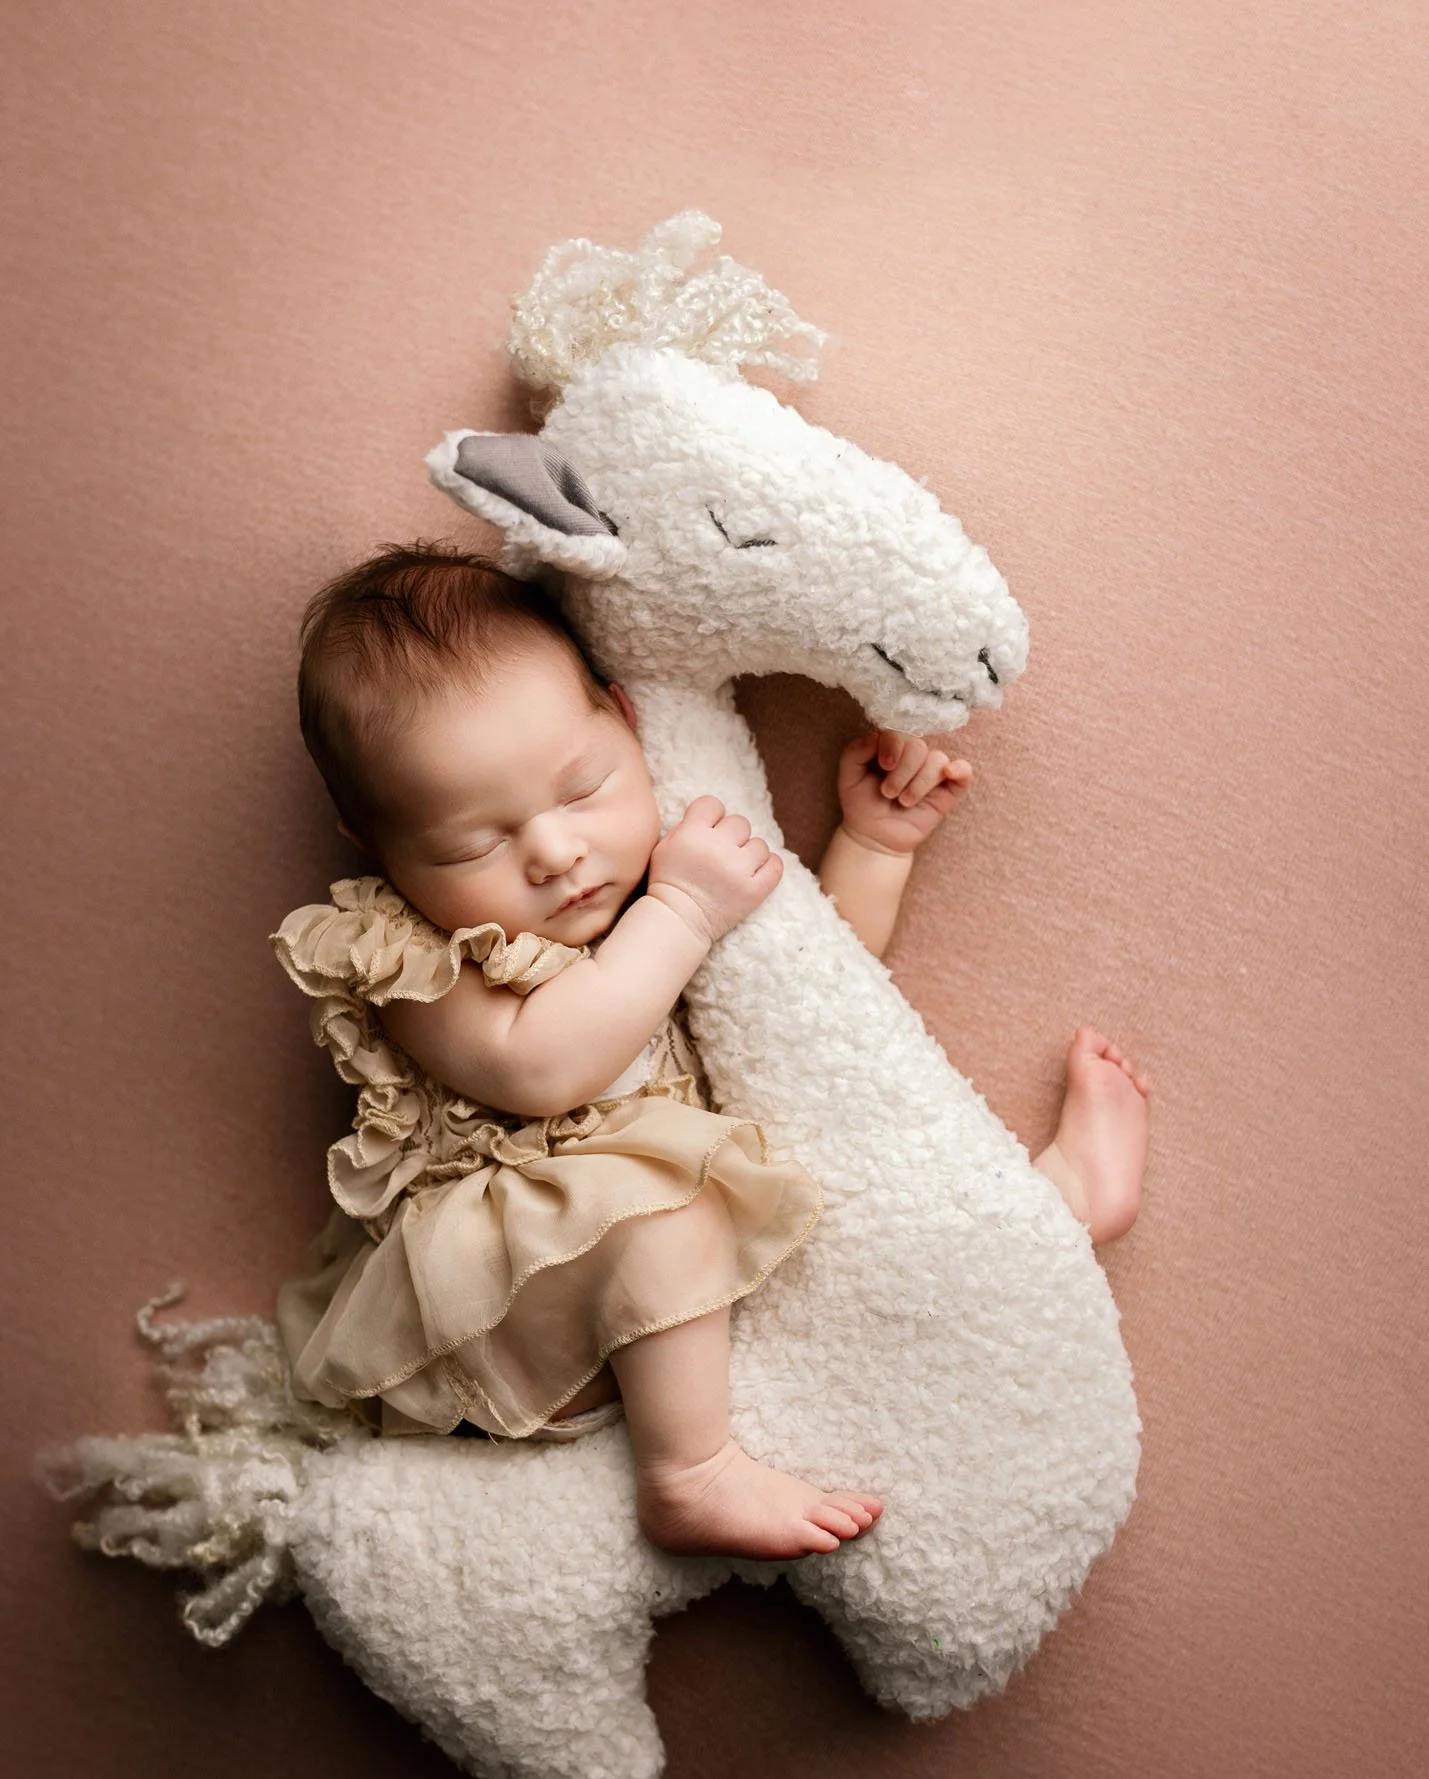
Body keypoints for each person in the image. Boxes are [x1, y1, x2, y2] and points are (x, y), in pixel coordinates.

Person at [272, 542, 1150, 1561]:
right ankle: (686, 1476)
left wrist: (872, 845)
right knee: (662, 1205)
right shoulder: (413, 954)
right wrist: (684, 909)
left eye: (583, 787)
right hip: (528, 1307)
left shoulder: (652, 883)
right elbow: (545, 1067)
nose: (554, 854)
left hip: (694, 1286)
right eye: (474, 843)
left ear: (625, 716)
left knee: (835, 1182)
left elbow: (801, 1004)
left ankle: (1046, 1212)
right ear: (376, 844)